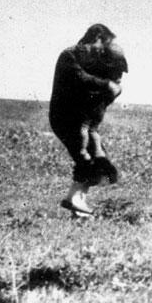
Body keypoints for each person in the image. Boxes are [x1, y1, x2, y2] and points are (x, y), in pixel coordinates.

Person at [49, 23, 128, 216]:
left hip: (85, 122)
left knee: (100, 163)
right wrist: (106, 85)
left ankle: (79, 205)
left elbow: (99, 95)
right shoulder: (69, 56)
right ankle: (75, 199)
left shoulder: (92, 62)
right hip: (67, 118)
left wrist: (111, 86)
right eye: (104, 44)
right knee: (85, 159)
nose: (103, 50)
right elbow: (80, 78)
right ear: (97, 38)